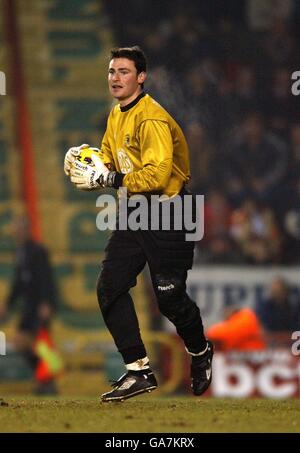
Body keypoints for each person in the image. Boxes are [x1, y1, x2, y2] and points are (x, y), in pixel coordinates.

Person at [64, 46, 213, 402]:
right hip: (135, 211)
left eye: (124, 72)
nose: (115, 78)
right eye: (112, 72)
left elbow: (159, 174)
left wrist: (111, 179)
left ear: (141, 77)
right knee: (109, 287)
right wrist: (91, 162)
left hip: (171, 211)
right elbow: (109, 155)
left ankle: (200, 351)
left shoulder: (152, 119)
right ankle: (138, 370)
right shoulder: (117, 114)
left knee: (169, 299)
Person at [0, 215, 60, 394]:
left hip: (39, 305)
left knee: (38, 342)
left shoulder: (38, 251)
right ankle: (46, 377)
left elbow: (45, 279)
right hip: (29, 305)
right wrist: (7, 304)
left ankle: (48, 379)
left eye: (18, 229)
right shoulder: (20, 252)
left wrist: (45, 303)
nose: (15, 233)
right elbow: (18, 283)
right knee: (22, 343)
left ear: (26, 230)